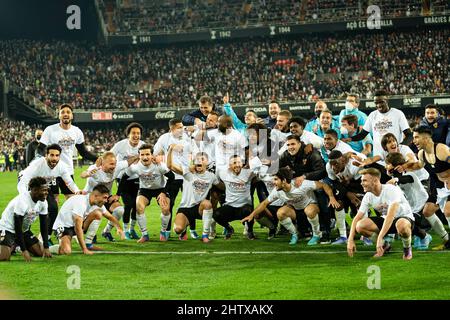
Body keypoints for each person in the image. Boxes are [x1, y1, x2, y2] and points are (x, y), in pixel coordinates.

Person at [241, 167, 340, 245]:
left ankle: (317, 235)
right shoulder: (277, 191)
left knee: (309, 211)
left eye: (276, 179)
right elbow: (264, 203)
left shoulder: (301, 185)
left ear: (283, 180)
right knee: (280, 213)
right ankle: (294, 234)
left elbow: (323, 185)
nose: (273, 182)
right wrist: (251, 215)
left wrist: (331, 197)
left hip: (310, 206)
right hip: (295, 210)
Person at [17, 144, 81, 245]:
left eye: (57, 155)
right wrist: (24, 197)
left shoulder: (61, 166)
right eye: (51, 155)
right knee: (27, 210)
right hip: (29, 183)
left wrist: (77, 191)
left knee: (53, 208)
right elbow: (23, 182)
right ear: (46, 155)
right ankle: (21, 237)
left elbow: (69, 182)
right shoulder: (37, 165)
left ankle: (45, 237)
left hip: (44, 185)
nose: (54, 158)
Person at [347, 168, 415, 260]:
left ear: (375, 181)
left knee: (401, 225)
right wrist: (350, 240)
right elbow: (357, 218)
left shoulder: (391, 190)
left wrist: (379, 237)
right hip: (386, 219)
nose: (361, 183)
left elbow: (391, 215)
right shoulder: (368, 196)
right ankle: (384, 245)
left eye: (364, 180)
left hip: (403, 218)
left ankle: (407, 248)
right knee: (360, 226)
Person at [405, 127, 450, 250]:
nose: (414, 141)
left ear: (426, 137)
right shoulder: (421, 153)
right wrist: (403, 166)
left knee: (448, 211)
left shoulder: (441, 149)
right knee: (427, 211)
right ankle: (447, 240)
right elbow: (418, 165)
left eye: (416, 137)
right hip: (439, 185)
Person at [38, 104, 98, 197]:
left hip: (67, 171)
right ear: (59, 115)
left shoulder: (77, 131)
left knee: (72, 199)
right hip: (52, 171)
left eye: (68, 112)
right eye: (63, 112)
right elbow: (40, 149)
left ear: (72, 115)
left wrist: (98, 158)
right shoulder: (50, 130)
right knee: (54, 202)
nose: (65, 114)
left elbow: (84, 153)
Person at [119, 144, 171, 243]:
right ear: (139, 156)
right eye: (142, 155)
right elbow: (124, 177)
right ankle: (144, 235)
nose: (145, 157)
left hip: (160, 189)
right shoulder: (135, 167)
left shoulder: (159, 165)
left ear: (152, 155)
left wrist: (164, 193)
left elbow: (171, 177)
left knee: (165, 208)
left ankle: (163, 232)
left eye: (147, 154)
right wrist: (118, 194)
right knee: (139, 207)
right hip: (145, 190)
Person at [81, 151, 138, 242]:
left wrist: (139, 156)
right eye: (111, 164)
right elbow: (83, 175)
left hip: (105, 197)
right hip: (90, 198)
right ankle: (91, 234)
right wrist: (88, 173)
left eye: (115, 163)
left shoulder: (117, 167)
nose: (114, 166)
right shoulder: (95, 169)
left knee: (119, 210)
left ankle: (106, 231)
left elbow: (129, 161)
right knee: (91, 218)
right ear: (103, 163)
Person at [167, 145, 219, 243]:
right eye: (197, 159)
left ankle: (205, 235)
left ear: (207, 163)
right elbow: (170, 166)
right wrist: (170, 150)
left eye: (202, 159)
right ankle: (186, 224)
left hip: (199, 208)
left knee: (207, 203)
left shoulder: (212, 176)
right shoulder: (188, 173)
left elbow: (222, 186)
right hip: (185, 208)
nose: (199, 161)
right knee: (177, 230)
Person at [154, 118, 195, 237]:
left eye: (182, 127)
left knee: (189, 203)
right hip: (172, 175)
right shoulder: (164, 138)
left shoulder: (187, 137)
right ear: (172, 129)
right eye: (179, 128)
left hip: (186, 174)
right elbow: (156, 153)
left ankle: (187, 231)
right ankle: (166, 231)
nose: (181, 130)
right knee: (169, 203)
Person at [50, 184, 117, 255]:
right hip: (63, 226)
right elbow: (78, 228)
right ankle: (48, 248)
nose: (106, 201)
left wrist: (119, 228)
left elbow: (109, 216)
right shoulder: (81, 203)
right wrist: (84, 249)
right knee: (66, 251)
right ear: (96, 196)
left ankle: (88, 243)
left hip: (76, 226)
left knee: (98, 213)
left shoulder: (95, 202)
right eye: (105, 198)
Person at [384, 152, 432, 250]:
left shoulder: (410, 175)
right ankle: (420, 236)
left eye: (388, 164)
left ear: (396, 166)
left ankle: (425, 236)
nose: (386, 166)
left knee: (406, 221)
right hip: (412, 208)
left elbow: (405, 179)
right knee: (399, 218)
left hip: (422, 207)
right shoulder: (394, 178)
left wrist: (396, 179)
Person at [345, 90, 412, 157]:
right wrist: (350, 139)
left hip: (395, 156)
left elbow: (409, 135)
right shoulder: (372, 115)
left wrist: (400, 148)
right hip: (378, 157)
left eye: (381, 102)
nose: (378, 105)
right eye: (376, 103)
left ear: (387, 100)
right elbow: (362, 134)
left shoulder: (398, 114)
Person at [0, 177, 51, 262]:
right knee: (4, 257)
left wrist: (46, 247)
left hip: (24, 230)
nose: (46, 193)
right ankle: (14, 245)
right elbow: (17, 226)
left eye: (46, 190)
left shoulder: (43, 202)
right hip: (8, 229)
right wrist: (24, 251)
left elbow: (44, 225)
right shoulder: (22, 201)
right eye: (43, 190)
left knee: (40, 252)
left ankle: (15, 246)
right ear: (34, 190)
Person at [213, 155, 261, 240]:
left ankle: (250, 231)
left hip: (244, 207)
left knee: (248, 210)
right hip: (230, 206)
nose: (237, 165)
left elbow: (260, 171)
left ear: (242, 164)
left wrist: (254, 161)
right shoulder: (223, 173)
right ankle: (229, 229)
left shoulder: (248, 173)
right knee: (216, 214)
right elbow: (216, 180)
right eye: (234, 163)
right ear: (229, 165)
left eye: (239, 162)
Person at [111, 122, 145, 240]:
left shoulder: (143, 145)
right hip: (122, 178)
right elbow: (110, 155)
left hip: (136, 179)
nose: (136, 135)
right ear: (128, 135)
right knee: (128, 204)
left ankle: (132, 229)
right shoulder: (120, 145)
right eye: (133, 133)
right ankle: (125, 231)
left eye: (138, 133)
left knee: (136, 206)